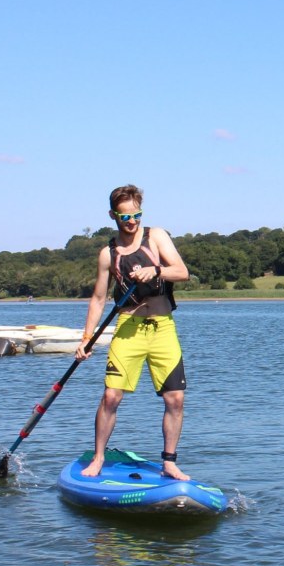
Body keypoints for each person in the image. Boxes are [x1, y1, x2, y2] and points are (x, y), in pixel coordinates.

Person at [76, 184, 191, 480]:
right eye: (125, 217)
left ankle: (169, 462)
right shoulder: (108, 254)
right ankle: (99, 457)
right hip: (128, 329)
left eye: (136, 215)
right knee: (111, 397)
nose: (132, 221)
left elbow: (182, 272)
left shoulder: (157, 237)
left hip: (163, 328)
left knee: (175, 399)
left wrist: (156, 270)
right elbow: (99, 299)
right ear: (113, 215)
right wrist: (86, 339)